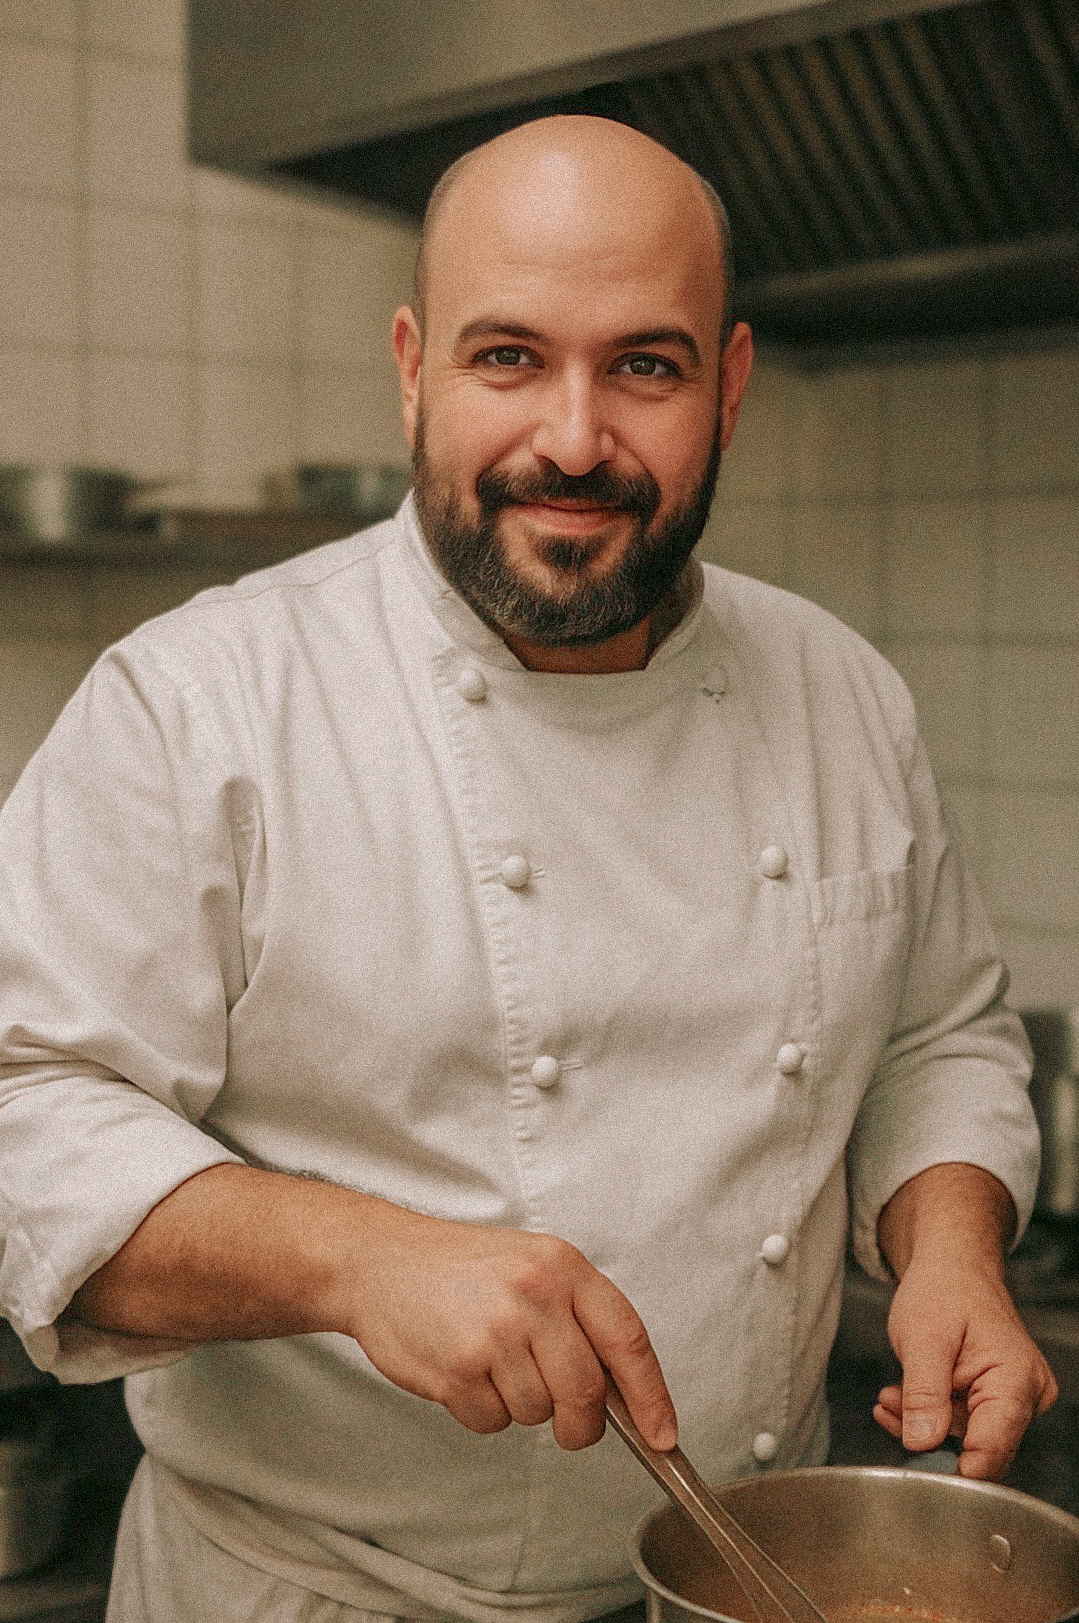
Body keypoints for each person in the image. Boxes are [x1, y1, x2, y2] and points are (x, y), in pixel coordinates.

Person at [0, 115, 1057, 1623]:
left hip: (746, 1581)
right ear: (413, 370)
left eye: (646, 367)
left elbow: (933, 1034)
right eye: (509, 358)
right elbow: (23, 1110)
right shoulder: (201, 704)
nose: (573, 439)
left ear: (729, 387)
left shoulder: (842, 694)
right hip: (327, 1599)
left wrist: (951, 1253)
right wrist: (358, 1260)